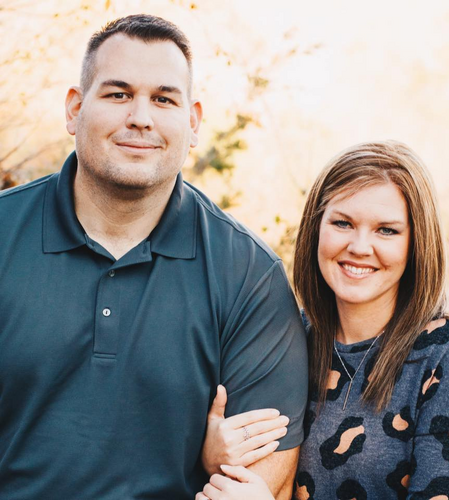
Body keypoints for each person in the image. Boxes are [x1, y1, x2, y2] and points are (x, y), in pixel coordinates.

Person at [0, 14, 308, 499]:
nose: (141, 117)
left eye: (164, 99)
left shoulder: (248, 274)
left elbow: (266, 475)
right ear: (74, 109)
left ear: (193, 122)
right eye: (118, 94)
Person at [197, 141, 449, 499]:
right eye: (342, 223)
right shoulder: (287, 337)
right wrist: (211, 456)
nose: (359, 247)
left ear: (416, 243)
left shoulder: (446, 351)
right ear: (316, 228)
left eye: (386, 230)